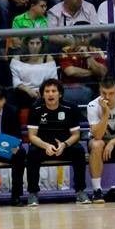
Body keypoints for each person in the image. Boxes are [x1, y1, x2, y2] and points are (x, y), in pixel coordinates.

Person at [26, 78, 88, 206]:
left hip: (64, 146)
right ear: (42, 94)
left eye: (54, 91)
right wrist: (45, 145)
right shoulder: (36, 109)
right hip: (43, 146)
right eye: (47, 91)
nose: (50, 94)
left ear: (60, 94)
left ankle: (80, 191)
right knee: (31, 152)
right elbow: (32, 136)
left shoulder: (71, 108)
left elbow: (76, 135)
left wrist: (64, 145)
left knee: (79, 151)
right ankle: (33, 194)